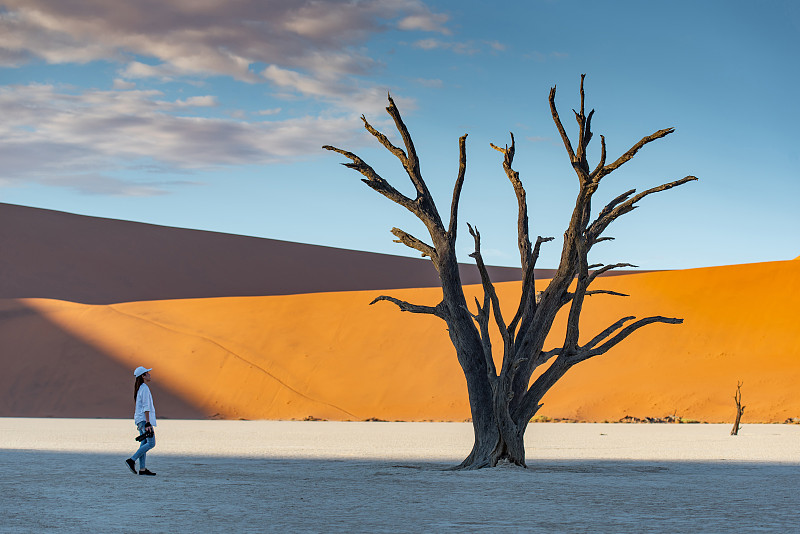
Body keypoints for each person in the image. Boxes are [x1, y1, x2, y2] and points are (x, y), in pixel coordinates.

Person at [125, 366, 157, 476]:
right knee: (151, 443)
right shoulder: (144, 388)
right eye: (147, 373)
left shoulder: (140, 388)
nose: (149, 375)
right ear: (143, 376)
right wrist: (148, 423)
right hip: (144, 420)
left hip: (140, 420)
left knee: (144, 443)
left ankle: (142, 469)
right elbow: (146, 407)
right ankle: (132, 460)